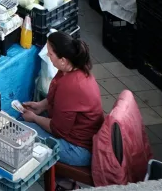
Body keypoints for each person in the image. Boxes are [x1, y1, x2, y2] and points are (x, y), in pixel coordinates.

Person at [20, 32, 104, 167]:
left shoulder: (71, 85)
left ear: (63, 60)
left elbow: (57, 129)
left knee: (20, 133)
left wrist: (35, 118)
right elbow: (54, 97)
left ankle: (62, 181)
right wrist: (40, 106)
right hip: (71, 132)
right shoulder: (70, 69)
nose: (48, 55)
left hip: (78, 149)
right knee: (23, 121)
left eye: (50, 53)